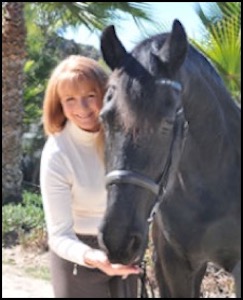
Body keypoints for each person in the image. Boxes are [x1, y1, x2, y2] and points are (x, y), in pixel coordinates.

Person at [40, 55, 140, 298]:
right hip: (76, 255)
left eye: (90, 96)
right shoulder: (57, 153)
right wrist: (93, 257)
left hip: (123, 250)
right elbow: (59, 235)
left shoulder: (127, 140)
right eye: (70, 100)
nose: (82, 109)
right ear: (59, 104)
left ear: (106, 93)